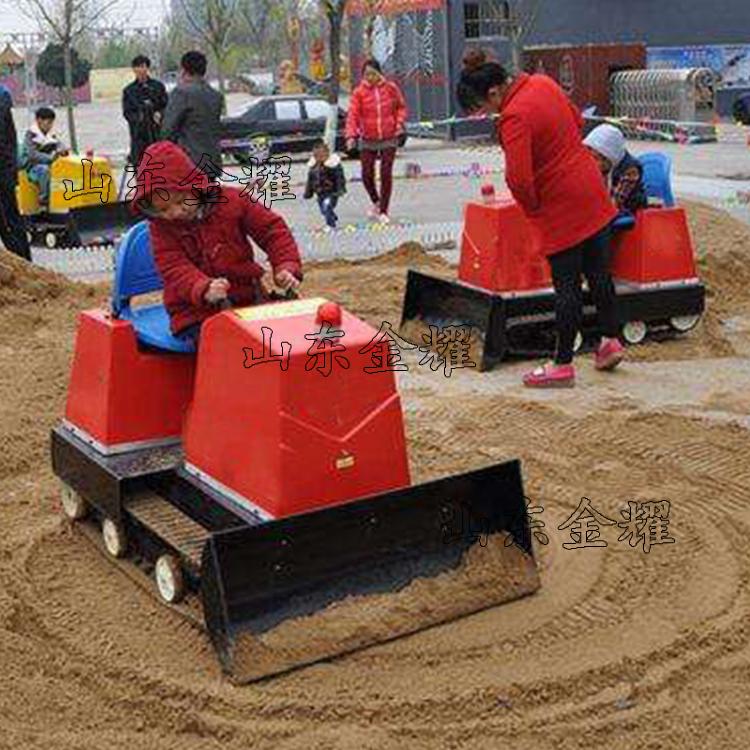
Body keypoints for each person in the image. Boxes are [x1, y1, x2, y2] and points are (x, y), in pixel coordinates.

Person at [457, 54, 625, 388]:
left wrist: (533, 208)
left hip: (560, 204)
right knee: (599, 273)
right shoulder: (543, 83)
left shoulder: (514, 116)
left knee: (566, 286)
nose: (488, 114)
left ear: (493, 93)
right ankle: (610, 341)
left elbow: (519, 178)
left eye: (484, 107)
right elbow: (577, 122)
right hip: (591, 188)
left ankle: (562, 363)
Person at [133, 141, 302, 344]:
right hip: (194, 313)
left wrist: (286, 266)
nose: (175, 212)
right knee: (227, 344)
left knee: (288, 332)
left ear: (194, 187)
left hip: (248, 300)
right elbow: (173, 267)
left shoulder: (233, 201)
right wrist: (203, 287)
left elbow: (272, 231)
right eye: (163, 209)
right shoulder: (161, 228)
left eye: (180, 202)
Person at [345, 59, 407, 225]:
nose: (370, 77)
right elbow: (353, 115)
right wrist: (351, 136)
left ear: (380, 73)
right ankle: (376, 201)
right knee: (367, 175)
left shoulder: (391, 88)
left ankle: (384, 211)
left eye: (373, 73)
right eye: (367, 74)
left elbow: (401, 107)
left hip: (389, 136)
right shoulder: (359, 92)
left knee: (386, 173)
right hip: (368, 138)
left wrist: (399, 123)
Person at [162, 51, 224, 178]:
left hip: (189, 164)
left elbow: (168, 130)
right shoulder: (215, 96)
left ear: (184, 70)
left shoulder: (181, 93)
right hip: (212, 163)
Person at [584, 124, 648, 216]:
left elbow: (615, 204)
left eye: (597, 158)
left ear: (608, 156)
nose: (594, 162)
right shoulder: (605, 164)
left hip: (627, 211)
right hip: (606, 205)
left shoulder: (630, 170)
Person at [0, 85, 31, 260]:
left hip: (2, 169)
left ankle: (23, 263)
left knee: (9, 220)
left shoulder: (2, 95)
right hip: (5, 167)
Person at [122, 54, 168, 170]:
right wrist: (141, 117)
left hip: (157, 135)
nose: (141, 70)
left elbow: (166, 105)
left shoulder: (158, 87)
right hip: (139, 137)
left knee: (160, 169)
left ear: (147, 68)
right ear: (133, 69)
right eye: (138, 67)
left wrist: (160, 114)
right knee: (141, 170)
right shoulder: (129, 91)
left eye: (143, 66)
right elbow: (127, 113)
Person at [20, 106, 69, 207]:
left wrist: (62, 150)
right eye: (48, 123)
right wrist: (50, 158)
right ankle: (44, 199)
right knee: (44, 170)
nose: (50, 126)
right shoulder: (31, 135)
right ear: (39, 120)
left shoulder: (50, 135)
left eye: (51, 123)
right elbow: (32, 154)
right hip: (31, 167)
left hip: (47, 163)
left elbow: (58, 144)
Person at [304, 139, 347, 231]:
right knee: (323, 210)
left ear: (327, 154)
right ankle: (331, 216)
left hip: (332, 192)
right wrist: (308, 192)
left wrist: (340, 189)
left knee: (327, 206)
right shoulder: (313, 167)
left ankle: (331, 225)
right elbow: (310, 181)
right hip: (320, 192)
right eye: (316, 156)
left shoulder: (333, 166)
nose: (319, 158)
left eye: (321, 156)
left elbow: (340, 179)